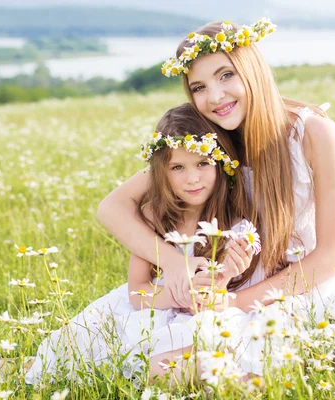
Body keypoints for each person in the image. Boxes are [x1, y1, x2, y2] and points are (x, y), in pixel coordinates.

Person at [97, 19, 335, 323]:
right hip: (233, 283)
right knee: (123, 341)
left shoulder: (314, 133)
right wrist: (174, 264)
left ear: (251, 70)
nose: (214, 97)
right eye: (199, 87)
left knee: (184, 364)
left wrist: (232, 303)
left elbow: (332, 257)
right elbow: (112, 207)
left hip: (304, 288)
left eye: (226, 75)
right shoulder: (211, 139)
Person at [24, 103, 265, 384]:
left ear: (220, 164)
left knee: (191, 359)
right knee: (82, 354)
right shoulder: (155, 216)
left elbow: (214, 301)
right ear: (161, 171)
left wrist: (222, 279)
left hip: (200, 318)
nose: (193, 178)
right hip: (151, 309)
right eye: (178, 167)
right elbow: (137, 291)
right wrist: (173, 296)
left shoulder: (235, 224)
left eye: (202, 163)